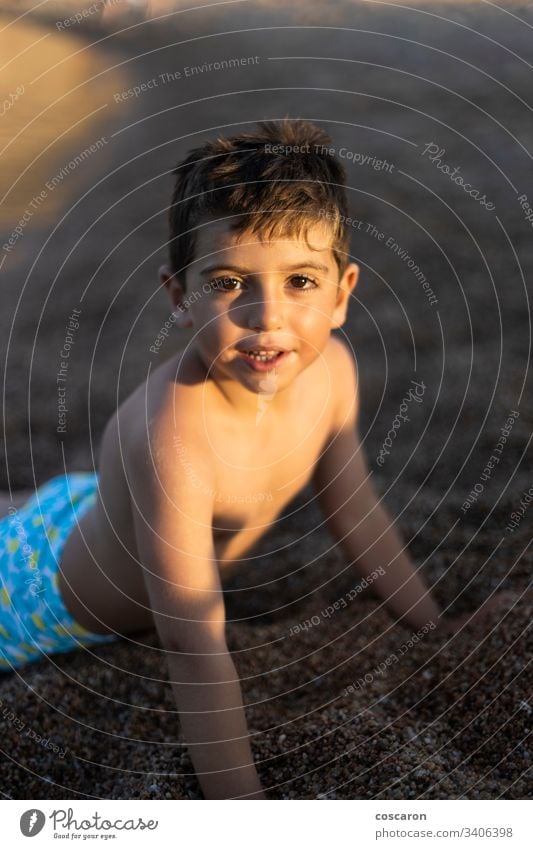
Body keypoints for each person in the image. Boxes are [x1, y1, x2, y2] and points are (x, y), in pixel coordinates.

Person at [0, 119, 514, 799]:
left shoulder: (333, 371)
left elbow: (354, 506)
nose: (266, 316)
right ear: (179, 296)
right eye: (228, 281)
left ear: (341, 291)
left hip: (89, 506)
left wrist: (432, 625)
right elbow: (191, 644)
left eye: (300, 279)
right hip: (34, 588)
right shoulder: (175, 440)